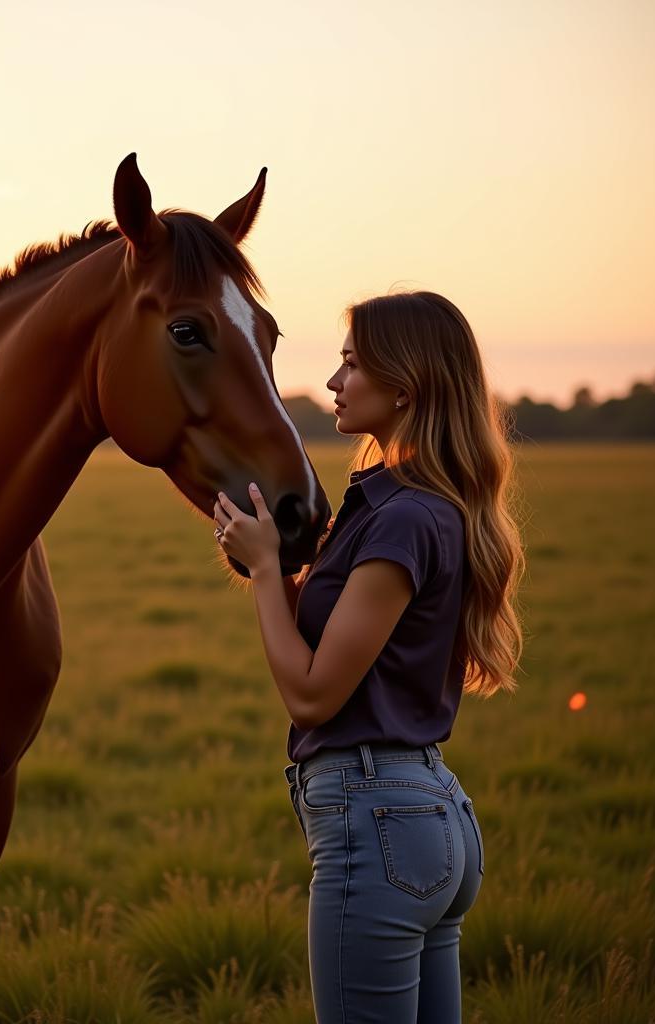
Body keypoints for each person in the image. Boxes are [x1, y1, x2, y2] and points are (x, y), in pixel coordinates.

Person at [212, 291, 524, 1023]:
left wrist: (264, 575)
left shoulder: (406, 519)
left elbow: (314, 697)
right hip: (425, 816)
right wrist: (279, 570)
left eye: (351, 365)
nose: (333, 382)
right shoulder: (411, 509)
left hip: (378, 823)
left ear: (404, 386)